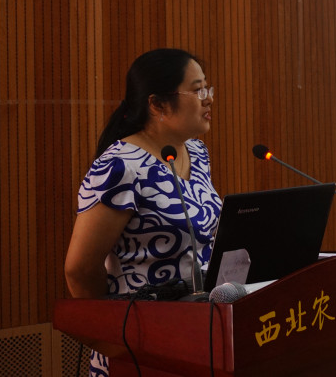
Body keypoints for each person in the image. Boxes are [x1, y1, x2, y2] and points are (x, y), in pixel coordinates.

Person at [64, 48, 222, 377]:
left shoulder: (196, 152)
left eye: (207, 88)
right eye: (197, 91)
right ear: (157, 104)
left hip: (197, 336)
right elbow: (80, 270)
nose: (208, 99)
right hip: (139, 346)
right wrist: (112, 335)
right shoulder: (120, 166)